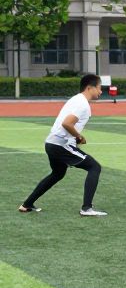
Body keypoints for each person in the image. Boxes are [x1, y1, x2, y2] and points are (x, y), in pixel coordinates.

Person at [20, 74, 106, 216]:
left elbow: (67, 124)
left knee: (58, 173)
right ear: (89, 88)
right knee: (94, 167)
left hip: (51, 143)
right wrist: (78, 136)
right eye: (99, 88)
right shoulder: (83, 104)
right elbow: (67, 123)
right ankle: (86, 208)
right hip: (60, 145)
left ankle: (27, 204)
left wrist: (75, 138)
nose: (101, 91)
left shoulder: (76, 99)